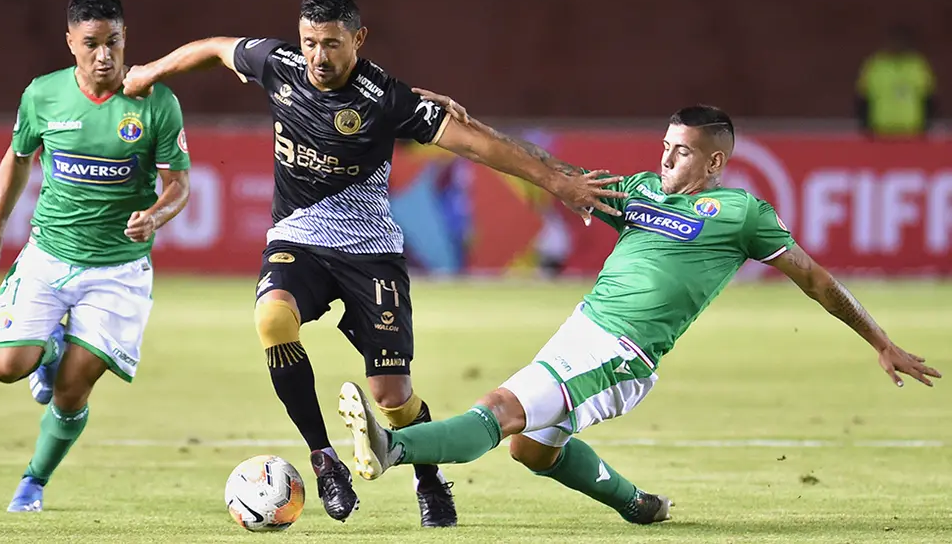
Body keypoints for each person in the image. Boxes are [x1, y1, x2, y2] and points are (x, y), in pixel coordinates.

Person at [120, 0, 624, 527]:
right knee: (271, 318)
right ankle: (324, 460)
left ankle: (429, 478)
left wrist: (557, 182)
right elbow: (216, 48)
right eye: (310, 42)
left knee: (393, 397)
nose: (318, 56)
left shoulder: (388, 99)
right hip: (297, 239)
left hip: (370, 254)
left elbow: (481, 145)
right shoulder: (278, 64)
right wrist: (149, 72)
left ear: (358, 39)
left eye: (332, 44)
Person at [337, 103, 942, 525]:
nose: (666, 158)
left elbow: (815, 278)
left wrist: (880, 340)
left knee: (501, 410)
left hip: (623, 352)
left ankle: (393, 447)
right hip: (581, 330)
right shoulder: (640, 193)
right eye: (665, 146)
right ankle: (638, 505)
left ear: (714, 164)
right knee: (531, 451)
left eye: (682, 152)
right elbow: (554, 170)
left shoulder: (742, 214)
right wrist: (469, 127)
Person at [0, 0, 192, 512]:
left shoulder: (156, 102)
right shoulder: (43, 95)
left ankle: (33, 482)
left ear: (125, 38)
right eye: (91, 43)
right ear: (70, 42)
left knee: (72, 391)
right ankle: (47, 348)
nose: (104, 55)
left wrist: (155, 215)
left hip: (119, 271)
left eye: (112, 42)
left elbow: (179, 185)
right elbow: (18, 157)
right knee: (5, 366)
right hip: (49, 255)